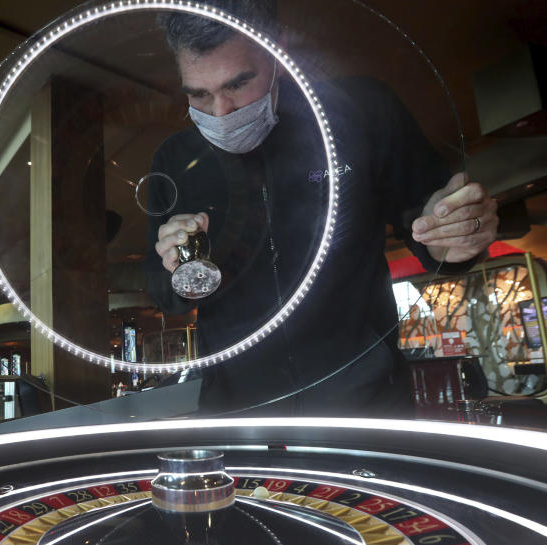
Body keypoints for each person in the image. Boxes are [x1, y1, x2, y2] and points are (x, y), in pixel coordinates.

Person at [144, 0, 499, 417]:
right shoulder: (175, 159)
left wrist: (455, 235)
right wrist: (179, 275)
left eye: (238, 84)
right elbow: (163, 291)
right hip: (237, 415)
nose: (221, 112)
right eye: (199, 94)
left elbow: (429, 226)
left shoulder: (361, 112)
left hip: (364, 405)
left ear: (274, 50)